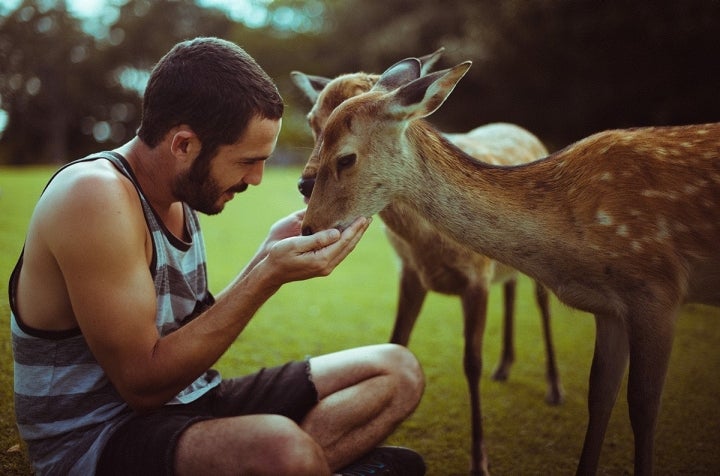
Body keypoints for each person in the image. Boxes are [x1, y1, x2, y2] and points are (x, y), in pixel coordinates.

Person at [9, 37, 426, 476]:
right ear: (184, 145)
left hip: (190, 402)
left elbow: (184, 334)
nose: (258, 178)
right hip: (99, 441)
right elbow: (142, 386)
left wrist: (266, 255)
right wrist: (266, 277)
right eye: (248, 160)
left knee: (396, 371)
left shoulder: (178, 191)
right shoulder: (94, 197)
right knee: (281, 449)